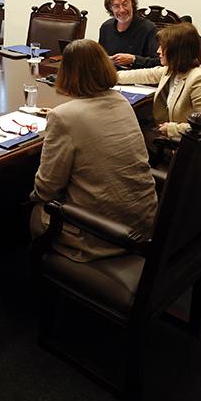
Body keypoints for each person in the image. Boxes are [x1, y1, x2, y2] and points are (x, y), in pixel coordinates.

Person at [30, 39, 158, 261]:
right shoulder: (122, 101)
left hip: (103, 234)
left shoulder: (64, 116)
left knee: (33, 210)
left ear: (66, 73)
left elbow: (47, 189)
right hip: (143, 222)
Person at [116, 21, 201, 139]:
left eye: (162, 46)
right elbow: (145, 74)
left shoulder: (199, 79)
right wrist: (111, 77)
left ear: (176, 51)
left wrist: (172, 129)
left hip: (181, 144)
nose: (158, 51)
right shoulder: (174, 69)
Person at [97, 0, 160, 68]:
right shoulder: (106, 27)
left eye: (125, 4)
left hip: (137, 75)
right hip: (110, 74)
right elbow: (100, 58)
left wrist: (133, 59)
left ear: (132, 4)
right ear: (111, 8)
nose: (122, 10)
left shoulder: (148, 28)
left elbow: (159, 62)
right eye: (116, 6)